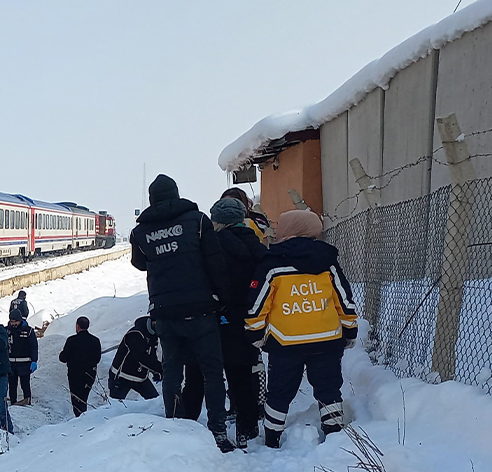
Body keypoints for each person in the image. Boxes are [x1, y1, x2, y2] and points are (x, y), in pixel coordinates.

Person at [130, 174, 235, 453]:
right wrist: (223, 300)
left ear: (152, 200)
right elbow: (215, 263)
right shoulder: (198, 221)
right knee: (212, 372)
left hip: (165, 312)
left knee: (172, 371)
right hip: (201, 310)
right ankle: (218, 432)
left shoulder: (140, 232)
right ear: (176, 194)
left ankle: (174, 426)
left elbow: (139, 263)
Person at [244, 210, 358, 448]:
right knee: (328, 389)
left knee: (279, 393)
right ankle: (334, 438)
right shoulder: (328, 262)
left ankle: (272, 439)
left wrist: (254, 331)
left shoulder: (272, 265)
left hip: (286, 343)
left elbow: (259, 303)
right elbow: (343, 298)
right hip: (327, 341)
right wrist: (350, 329)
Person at [209, 197, 270, 447]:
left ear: (219, 221)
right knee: (247, 367)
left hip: (226, 314)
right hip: (254, 314)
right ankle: (249, 424)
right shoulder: (256, 244)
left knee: (230, 371)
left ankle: (236, 422)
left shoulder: (216, 245)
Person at [58, 316, 102, 417]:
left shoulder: (71, 340)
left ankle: (80, 418)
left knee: (76, 399)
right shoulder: (95, 341)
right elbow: (97, 359)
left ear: (77, 326)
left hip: (75, 374)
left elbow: (63, 358)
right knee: (84, 397)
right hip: (89, 374)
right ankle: (82, 416)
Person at [109, 317, 162, 400]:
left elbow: (151, 355)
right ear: (153, 322)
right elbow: (142, 358)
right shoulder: (135, 334)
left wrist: (155, 372)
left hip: (140, 378)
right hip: (122, 377)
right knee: (116, 405)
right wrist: (160, 369)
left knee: (154, 402)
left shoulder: (153, 335)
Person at [7, 309, 39, 406]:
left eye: (16, 321)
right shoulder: (6, 331)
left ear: (20, 320)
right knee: (12, 385)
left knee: (25, 384)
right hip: (11, 363)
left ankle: (27, 401)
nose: (14, 324)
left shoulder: (28, 331)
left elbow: (33, 346)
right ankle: (13, 402)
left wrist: (34, 360)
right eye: (12, 321)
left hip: (25, 363)